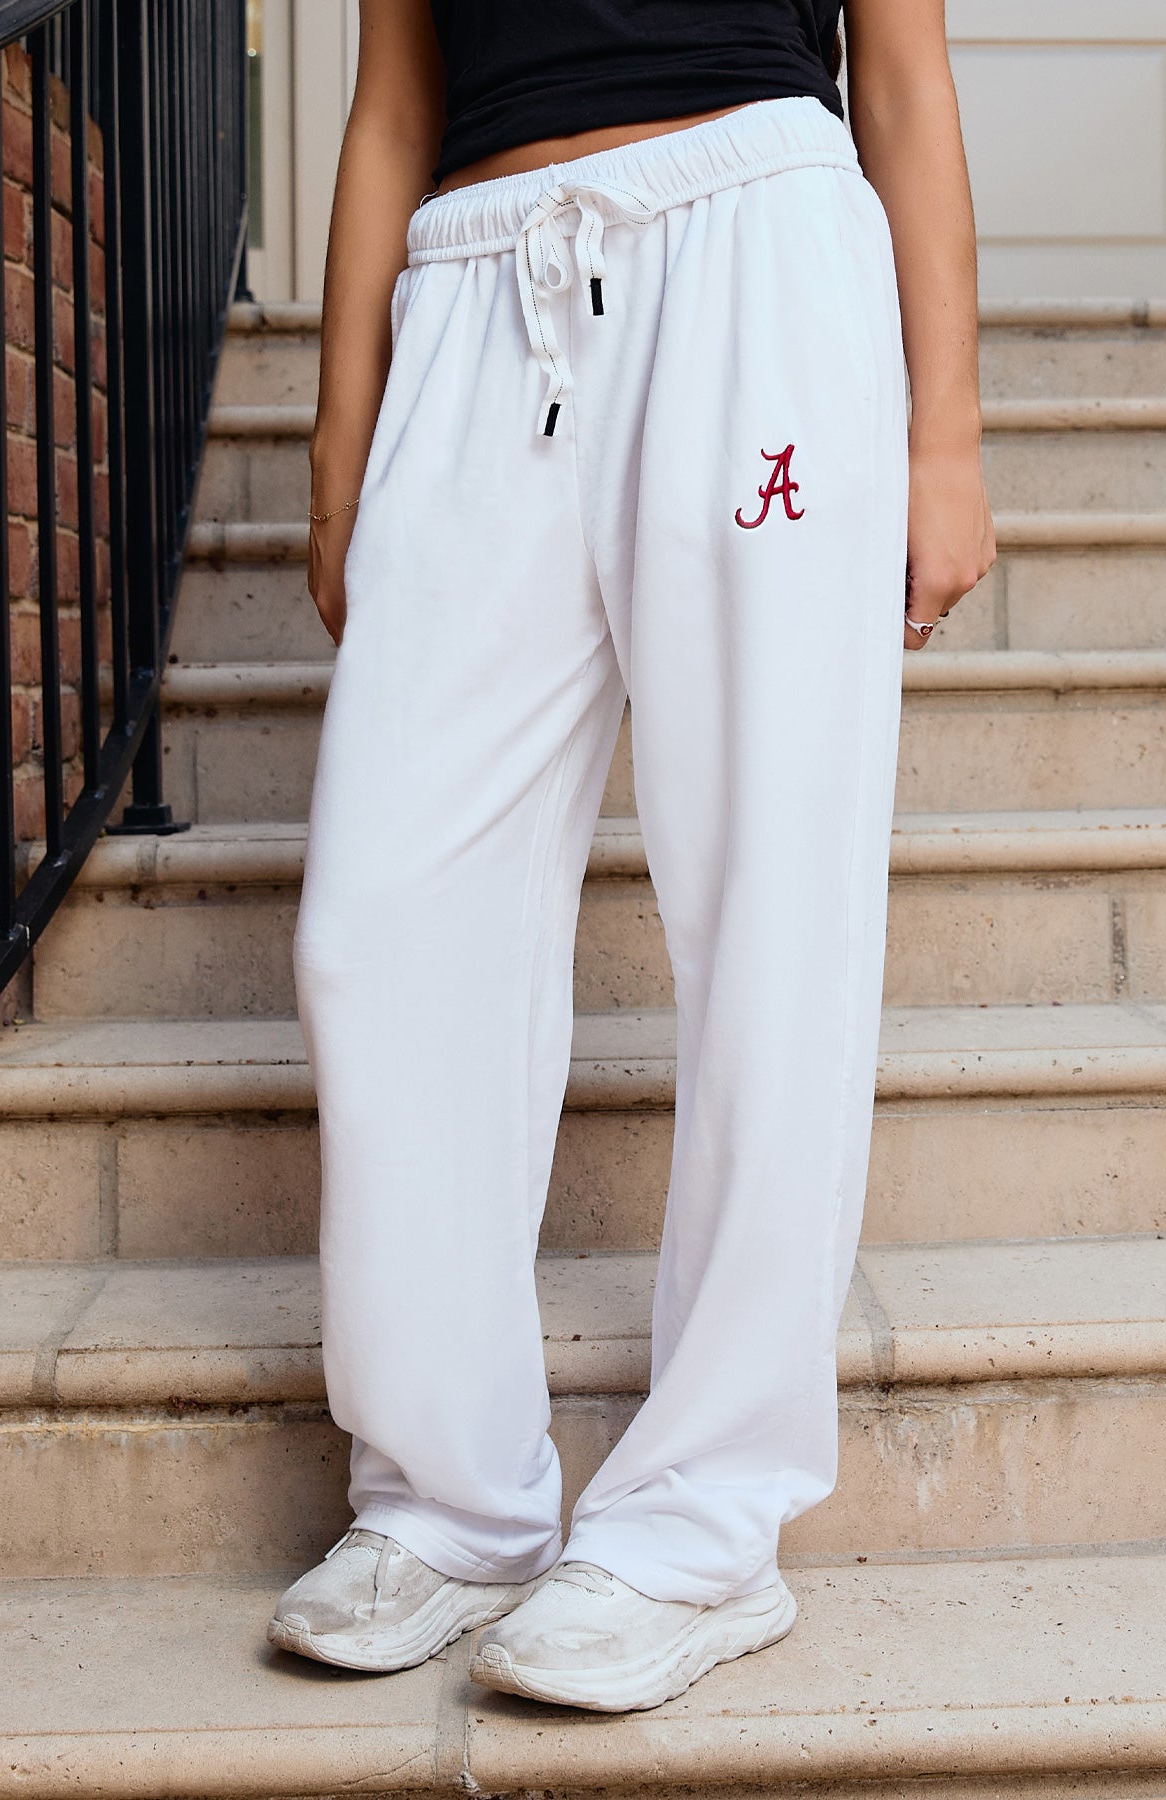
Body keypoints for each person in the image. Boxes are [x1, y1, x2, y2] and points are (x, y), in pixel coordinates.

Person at [268, 0, 995, 1713]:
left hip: (756, 249)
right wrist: (338, 433)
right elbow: (388, 101)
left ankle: (699, 1529)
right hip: (471, 287)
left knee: (771, 913)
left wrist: (945, 432)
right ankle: (449, 1502)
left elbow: (900, 65)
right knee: (379, 922)